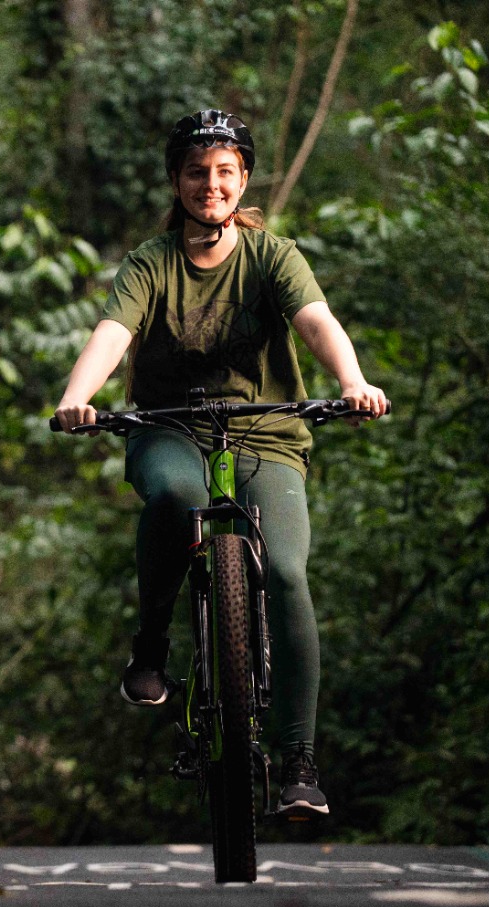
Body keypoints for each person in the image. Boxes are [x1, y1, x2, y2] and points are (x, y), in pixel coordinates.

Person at [52, 109, 389, 817]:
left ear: (243, 181)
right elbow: (114, 331)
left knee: (290, 572)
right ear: (177, 182)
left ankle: (298, 761)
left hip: (266, 433)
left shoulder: (272, 256)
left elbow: (316, 321)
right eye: (197, 172)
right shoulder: (153, 262)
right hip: (168, 428)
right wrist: (77, 397)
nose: (211, 184)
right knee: (174, 498)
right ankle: (152, 651)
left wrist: (353, 382)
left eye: (225, 172)